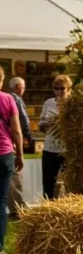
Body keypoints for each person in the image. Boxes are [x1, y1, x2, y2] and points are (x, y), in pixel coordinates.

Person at [0, 68, 23, 254]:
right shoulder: (8, 100)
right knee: (1, 201)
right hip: (4, 152)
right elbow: (16, 130)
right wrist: (20, 154)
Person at [39, 75, 70, 200]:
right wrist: (45, 125)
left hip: (67, 148)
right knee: (48, 181)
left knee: (70, 182)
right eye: (55, 88)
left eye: (62, 88)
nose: (58, 92)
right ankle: (48, 206)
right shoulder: (49, 102)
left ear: (68, 89)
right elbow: (41, 126)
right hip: (50, 147)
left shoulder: (73, 103)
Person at [7, 77, 33, 218]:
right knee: (13, 177)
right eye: (22, 87)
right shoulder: (13, 99)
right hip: (7, 145)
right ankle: (20, 208)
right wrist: (28, 136)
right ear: (17, 87)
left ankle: (14, 208)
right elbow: (22, 120)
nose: (23, 89)